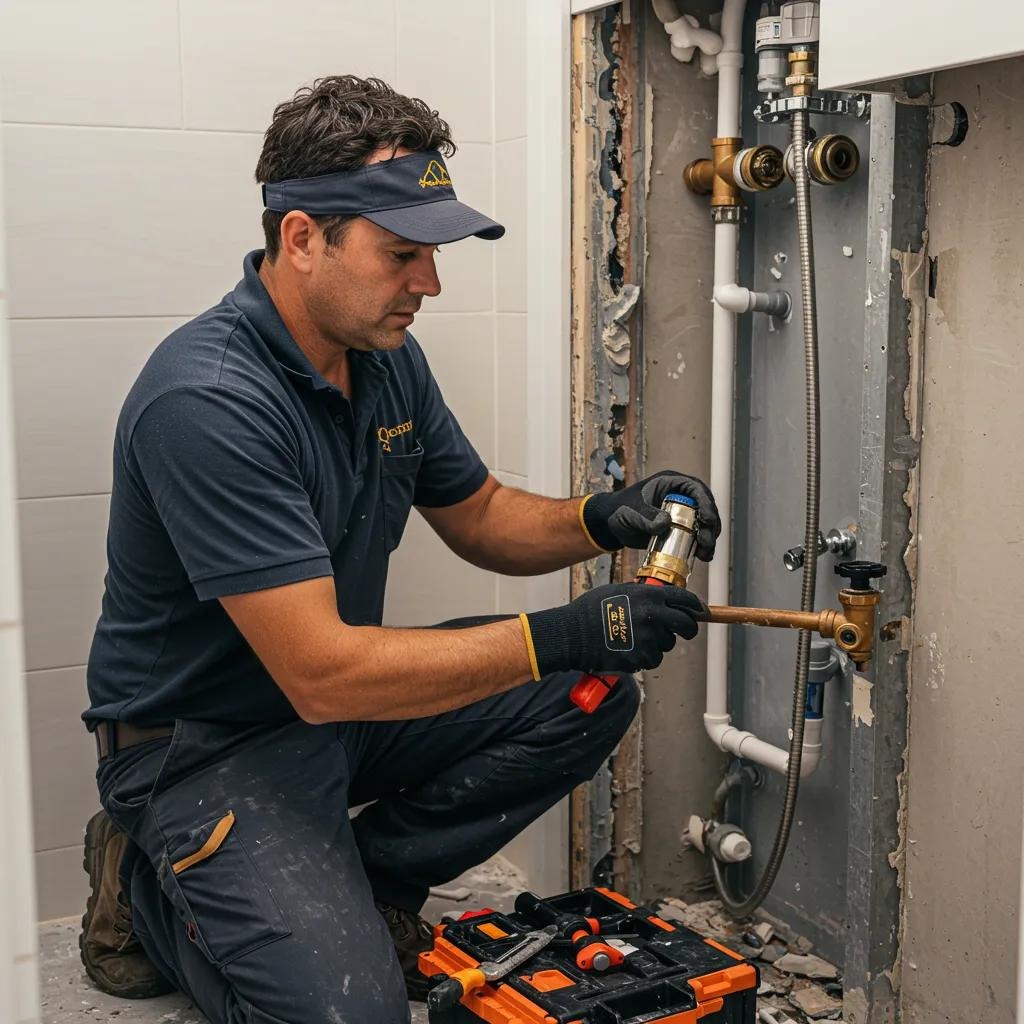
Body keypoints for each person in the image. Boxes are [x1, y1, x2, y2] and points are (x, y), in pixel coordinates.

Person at [79, 75, 719, 1024]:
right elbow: (324, 672)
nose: (429, 283)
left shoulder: (383, 356)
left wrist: (605, 516)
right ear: (302, 238)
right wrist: (568, 629)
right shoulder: (207, 401)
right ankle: (149, 885)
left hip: (330, 718)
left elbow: (482, 512)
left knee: (584, 696)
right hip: (204, 748)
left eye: (432, 254)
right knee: (349, 1015)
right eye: (402, 254)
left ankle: (357, 883)